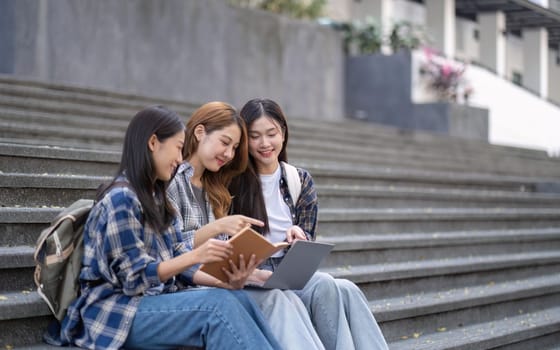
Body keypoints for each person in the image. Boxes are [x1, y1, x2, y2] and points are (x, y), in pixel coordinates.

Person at [57, 106, 282, 349]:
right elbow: (134, 278)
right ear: (153, 143)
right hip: (116, 312)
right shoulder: (121, 198)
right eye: (177, 147)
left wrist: (226, 282)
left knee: (236, 298)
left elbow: (176, 254)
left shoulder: (157, 197)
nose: (179, 158)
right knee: (218, 307)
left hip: (153, 302)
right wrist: (197, 254)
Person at [228, 98, 389, 350]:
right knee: (335, 287)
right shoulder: (232, 182)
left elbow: (307, 248)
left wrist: (299, 237)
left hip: (288, 273)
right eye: (255, 136)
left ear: (283, 132)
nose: (265, 143)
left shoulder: (299, 180)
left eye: (271, 133)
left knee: (335, 286)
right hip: (253, 275)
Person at [167, 101, 325, 350]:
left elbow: (216, 257)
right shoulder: (176, 183)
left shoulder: (214, 189)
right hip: (189, 290)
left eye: (234, 147)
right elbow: (172, 251)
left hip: (218, 282)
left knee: (298, 296)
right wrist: (220, 229)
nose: (229, 154)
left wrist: (252, 274)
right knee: (277, 301)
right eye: (225, 143)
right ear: (199, 133)